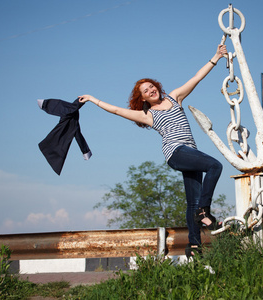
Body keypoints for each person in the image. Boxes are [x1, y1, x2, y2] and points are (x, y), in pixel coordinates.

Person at [79, 44, 228, 258]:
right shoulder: (147, 115)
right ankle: (204, 212)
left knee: (192, 202)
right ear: (143, 99)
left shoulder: (174, 97)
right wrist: (93, 99)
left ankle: (194, 247)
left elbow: (197, 77)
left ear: (157, 86)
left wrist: (216, 56)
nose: (151, 90)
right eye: (146, 91)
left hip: (191, 152)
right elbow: (116, 110)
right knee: (215, 165)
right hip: (176, 153)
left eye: (152, 86)